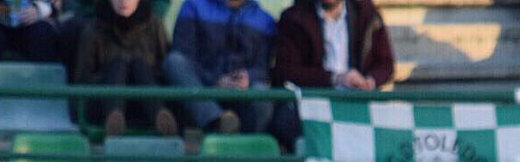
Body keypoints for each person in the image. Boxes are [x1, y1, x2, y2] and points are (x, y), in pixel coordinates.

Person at [268, 0, 394, 147]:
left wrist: (370, 81)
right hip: (311, 101)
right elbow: (286, 71)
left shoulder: (367, 14)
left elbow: (386, 64)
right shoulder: (294, 17)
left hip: (358, 99)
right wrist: (335, 78)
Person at [162, 0, 275, 133]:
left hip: (241, 93)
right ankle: (217, 121)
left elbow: (263, 68)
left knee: (261, 93)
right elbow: (184, 53)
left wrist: (247, 77)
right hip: (201, 89)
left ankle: (251, 145)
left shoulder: (265, 20)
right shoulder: (193, 6)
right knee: (174, 62)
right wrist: (215, 80)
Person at [73, 0, 177, 137]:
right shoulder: (94, 29)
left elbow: (165, 67)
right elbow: (83, 78)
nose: (124, 1)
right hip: (102, 105)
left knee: (139, 66)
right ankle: (114, 118)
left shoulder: (154, 25)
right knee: (118, 65)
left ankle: (160, 117)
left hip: (144, 104)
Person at [0, 0, 63, 84]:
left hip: (33, 19)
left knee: (42, 33)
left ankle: (43, 95)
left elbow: (54, 4)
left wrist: (39, 9)